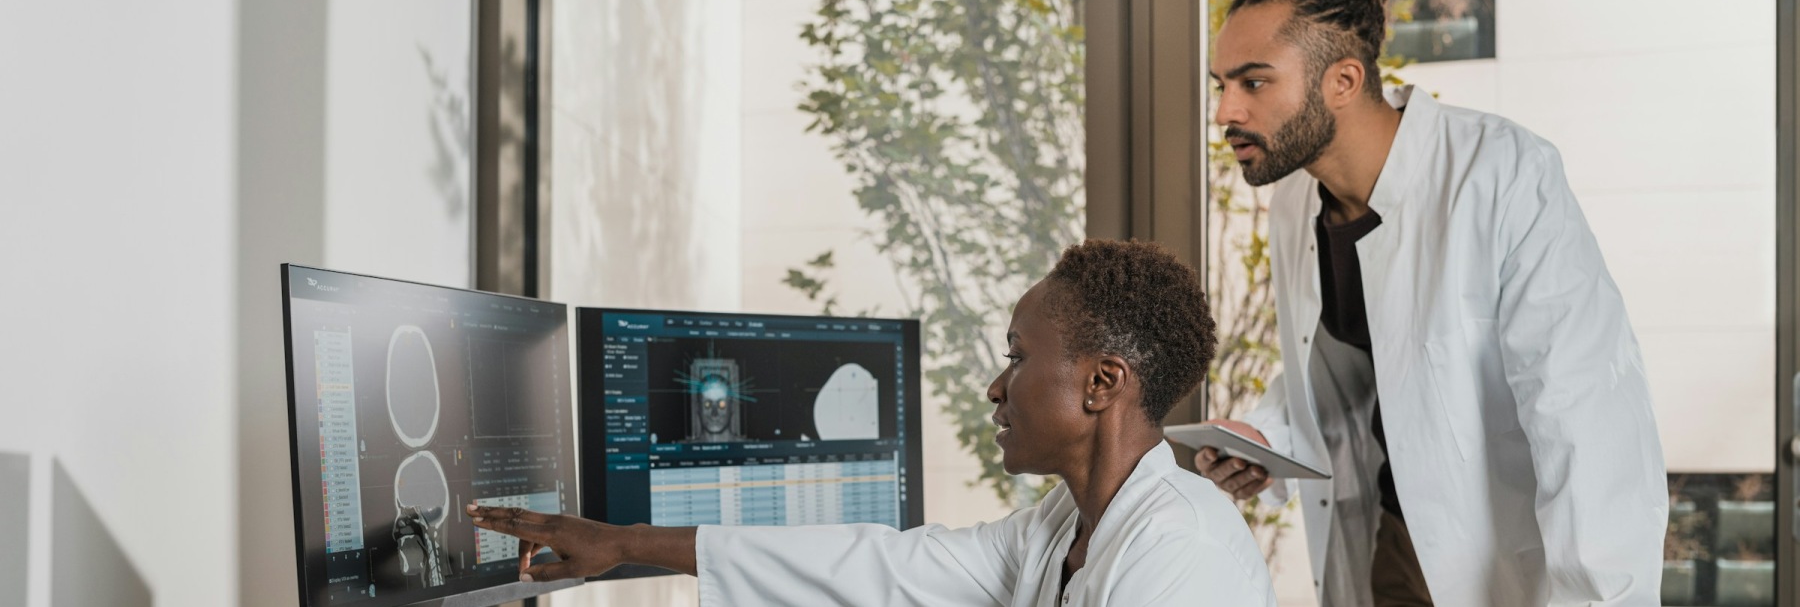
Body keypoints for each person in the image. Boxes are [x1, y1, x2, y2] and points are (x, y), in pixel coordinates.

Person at [1192, 0, 1667, 606]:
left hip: (1509, 559)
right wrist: (1266, 435)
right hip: (1394, 540)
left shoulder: (1501, 173)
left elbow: (1588, 421)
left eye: (1253, 83)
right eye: (1221, 84)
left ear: (1343, 81)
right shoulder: (1298, 199)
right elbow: (1352, 373)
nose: (1226, 112)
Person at [469, 239, 1275, 606]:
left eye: (1018, 358)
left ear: (1102, 384)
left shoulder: (1180, 558)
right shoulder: (1064, 526)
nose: (998, 388)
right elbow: (884, 565)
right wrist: (625, 542)